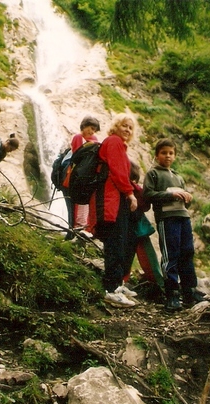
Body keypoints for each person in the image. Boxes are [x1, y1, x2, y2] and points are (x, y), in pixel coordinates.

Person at [143, 138, 203, 311]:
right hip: (167, 218)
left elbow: (184, 203)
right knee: (171, 254)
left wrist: (187, 198)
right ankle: (172, 294)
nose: (167, 156)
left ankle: (189, 292)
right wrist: (171, 195)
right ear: (157, 155)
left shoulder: (178, 176)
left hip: (183, 217)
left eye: (171, 153)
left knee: (187, 252)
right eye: (164, 153)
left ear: (175, 156)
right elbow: (148, 195)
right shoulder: (153, 174)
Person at [89, 113, 138, 307]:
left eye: (130, 128)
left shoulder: (117, 144)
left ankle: (117, 284)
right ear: (116, 126)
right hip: (110, 200)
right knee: (115, 243)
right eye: (124, 125)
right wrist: (130, 193)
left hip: (114, 200)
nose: (127, 130)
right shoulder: (114, 142)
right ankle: (111, 289)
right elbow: (118, 172)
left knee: (120, 241)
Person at [123, 162, 165, 298]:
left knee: (126, 255)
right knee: (147, 256)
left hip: (129, 227)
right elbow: (146, 206)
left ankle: (123, 280)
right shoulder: (136, 190)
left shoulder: (122, 189)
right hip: (139, 228)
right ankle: (159, 283)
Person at [63, 116, 100, 240]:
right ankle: (72, 230)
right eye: (90, 128)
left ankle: (80, 229)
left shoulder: (93, 139)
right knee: (74, 206)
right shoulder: (78, 137)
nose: (91, 132)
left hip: (85, 176)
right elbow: (77, 156)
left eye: (94, 130)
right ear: (84, 126)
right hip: (75, 174)